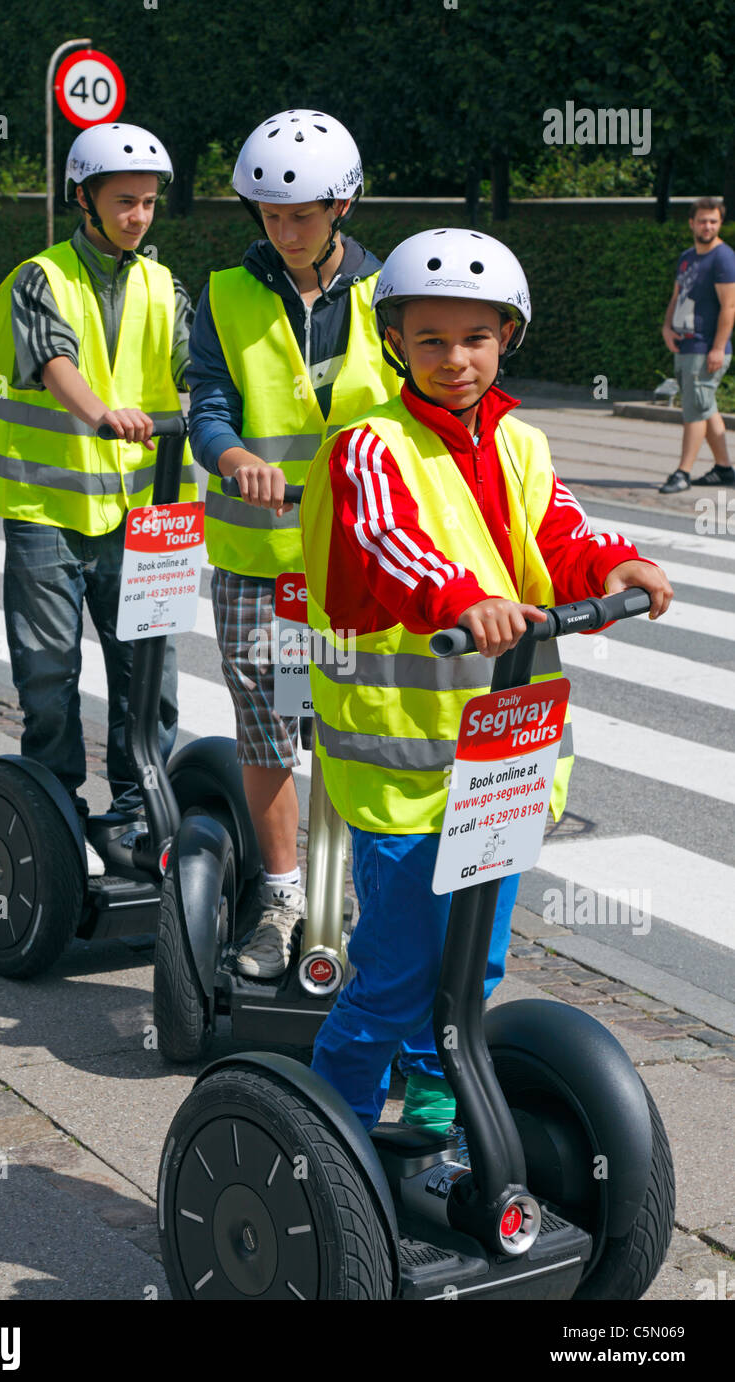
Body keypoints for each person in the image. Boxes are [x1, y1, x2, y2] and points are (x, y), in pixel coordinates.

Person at [300, 229, 673, 1134]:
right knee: (395, 975)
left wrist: (614, 568)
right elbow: (393, 546)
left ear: (508, 336)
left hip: (502, 761)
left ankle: (435, 1111)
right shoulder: (368, 447)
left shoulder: (520, 442)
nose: (455, 359)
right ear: (395, 343)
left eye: (475, 337)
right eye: (430, 340)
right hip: (404, 772)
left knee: (477, 966)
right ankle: (327, 1134)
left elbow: (563, 532)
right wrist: (462, 598)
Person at [187, 109, 399, 977]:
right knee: (269, 732)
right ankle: (282, 900)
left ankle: (354, 900)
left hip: (361, 562)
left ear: (343, 205)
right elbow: (206, 405)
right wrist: (233, 457)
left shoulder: (394, 292)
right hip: (260, 560)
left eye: (303, 214)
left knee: (361, 730)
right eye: (271, 216)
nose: (285, 230)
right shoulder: (225, 295)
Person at [0, 123, 197, 876]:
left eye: (147, 203)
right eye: (123, 201)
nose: (138, 216)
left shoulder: (164, 285)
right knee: (49, 677)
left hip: (145, 514)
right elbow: (53, 362)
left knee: (151, 674)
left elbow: (194, 367)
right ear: (83, 198)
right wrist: (102, 414)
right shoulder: (38, 279)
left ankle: (140, 819)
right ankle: (55, 817)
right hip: (49, 511)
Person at [659, 197, 735, 493]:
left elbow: (729, 307)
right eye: (703, 220)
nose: (708, 226)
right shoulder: (687, 257)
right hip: (686, 346)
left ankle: (683, 472)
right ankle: (724, 468)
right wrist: (667, 327)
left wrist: (718, 347)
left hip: (706, 349)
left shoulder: (724, 258)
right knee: (706, 406)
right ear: (692, 223)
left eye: (714, 221)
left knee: (693, 409)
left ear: (720, 224)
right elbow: (677, 296)